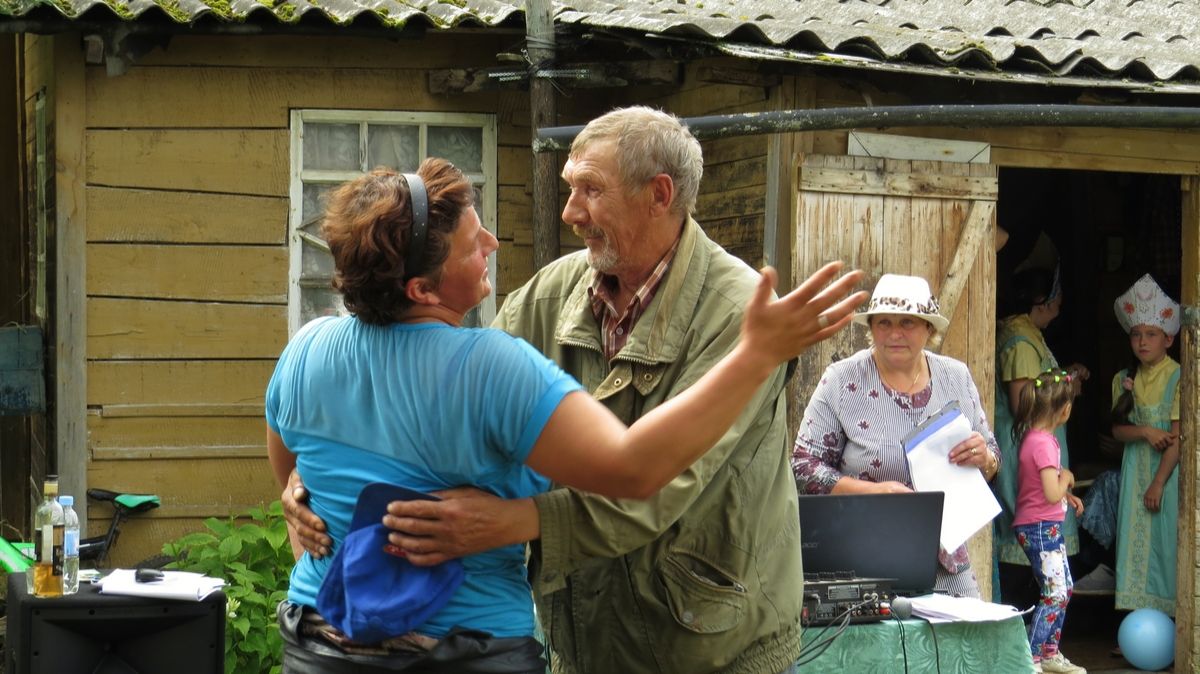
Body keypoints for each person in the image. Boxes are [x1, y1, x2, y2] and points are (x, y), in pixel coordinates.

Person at [280, 107, 865, 673]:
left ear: (659, 194)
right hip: (582, 634)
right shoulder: (550, 294)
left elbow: (664, 480)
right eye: (569, 188)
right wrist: (311, 482)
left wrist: (522, 520)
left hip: (706, 640)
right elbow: (450, 421)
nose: (568, 213)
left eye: (590, 190)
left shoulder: (740, 313)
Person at [791, 273, 1000, 598]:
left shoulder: (955, 377)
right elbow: (803, 467)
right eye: (884, 323)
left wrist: (985, 458)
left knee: (958, 644)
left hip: (945, 560)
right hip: (862, 558)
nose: (895, 334)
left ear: (928, 329)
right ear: (871, 327)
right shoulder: (843, 381)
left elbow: (992, 458)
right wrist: (872, 492)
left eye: (908, 322)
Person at [992, 265, 1089, 600]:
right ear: (1043, 301)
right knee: (1027, 552)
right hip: (1026, 454)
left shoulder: (1028, 333)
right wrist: (1066, 390)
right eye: (1058, 296)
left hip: (1035, 452)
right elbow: (1024, 404)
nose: (1061, 304)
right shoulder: (1019, 340)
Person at [1110, 273, 1181, 616]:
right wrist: (1146, 432)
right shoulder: (1123, 378)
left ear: (1168, 339)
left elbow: (1179, 438)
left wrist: (1158, 482)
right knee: (1133, 547)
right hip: (1134, 470)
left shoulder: (1180, 376)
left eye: (1151, 335)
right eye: (1136, 334)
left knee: (1165, 548)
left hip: (1164, 476)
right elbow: (1119, 431)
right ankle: (1134, 627)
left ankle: (1169, 625)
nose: (1142, 342)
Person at [1010, 369, 1087, 674]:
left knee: (1062, 589)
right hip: (1040, 528)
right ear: (1065, 410)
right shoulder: (1043, 444)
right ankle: (1033, 657)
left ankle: (1050, 652)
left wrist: (1066, 495)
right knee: (1055, 592)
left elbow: (1042, 489)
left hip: (1043, 525)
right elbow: (1051, 490)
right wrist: (1067, 478)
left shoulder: (1036, 438)